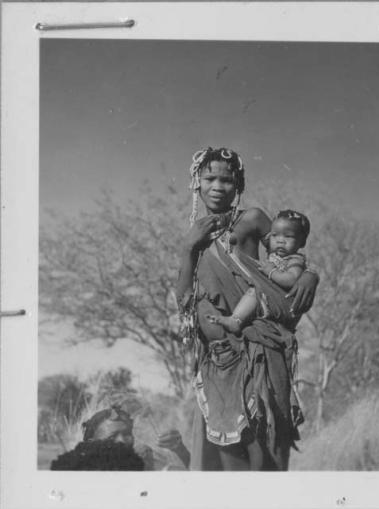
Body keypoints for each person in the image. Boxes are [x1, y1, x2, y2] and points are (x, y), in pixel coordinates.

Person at [177, 147, 318, 471]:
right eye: (209, 178)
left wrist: (311, 274)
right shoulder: (193, 235)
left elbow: (289, 250)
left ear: (238, 185)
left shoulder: (252, 219)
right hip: (219, 359)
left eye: (226, 180)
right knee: (227, 460)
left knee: (264, 453)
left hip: (257, 352)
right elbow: (184, 301)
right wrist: (187, 247)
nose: (217, 186)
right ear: (196, 183)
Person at [206, 209, 311, 334]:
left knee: (255, 293)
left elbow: (291, 280)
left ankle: (236, 321)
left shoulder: (295, 260)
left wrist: (271, 272)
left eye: (288, 236)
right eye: (275, 235)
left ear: (302, 242)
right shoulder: (277, 256)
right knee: (253, 291)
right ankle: (236, 319)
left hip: (285, 302)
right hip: (272, 296)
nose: (280, 240)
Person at [50, 406, 190, 471]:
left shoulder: (144, 459)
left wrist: (180, 450)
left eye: (127, 434)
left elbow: (189, 478)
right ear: (92, 444)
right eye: (112, 437)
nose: (123, 440)